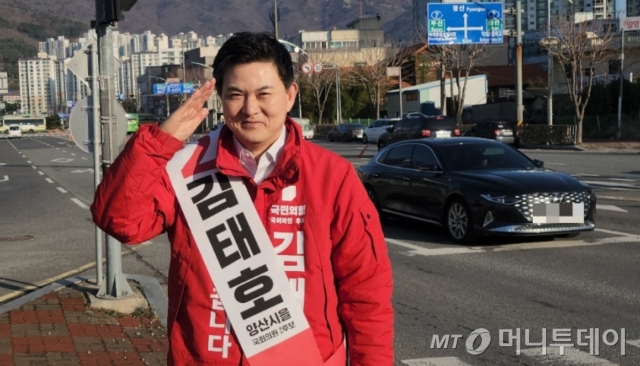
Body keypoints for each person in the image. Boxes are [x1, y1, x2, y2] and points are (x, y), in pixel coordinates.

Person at [91, 31, 393, 366]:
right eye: (236, 94)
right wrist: (159, 144)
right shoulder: (188, 167)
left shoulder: (332, 176)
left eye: (265, 94)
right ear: (219, 96)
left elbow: (367, 294)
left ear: (291, 94)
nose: (250, 109)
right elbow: (120, 221)